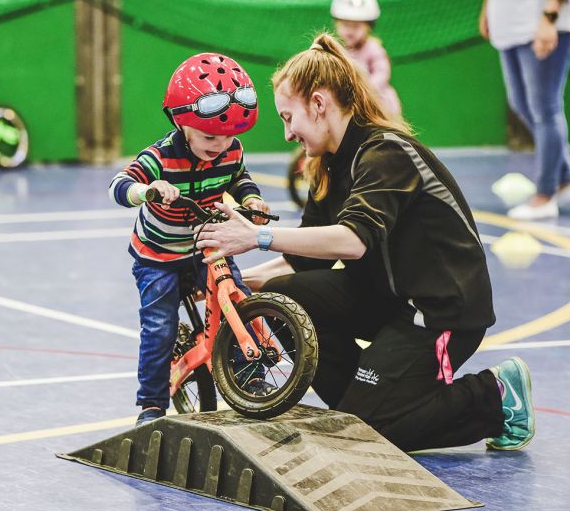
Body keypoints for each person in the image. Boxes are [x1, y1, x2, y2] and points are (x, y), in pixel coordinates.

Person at [195, 32, 535, 453]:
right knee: (286, 297)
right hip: (388, 299)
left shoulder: (384, 153)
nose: (287, 134)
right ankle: (372, 396)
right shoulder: (328, 165)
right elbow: (302, 262)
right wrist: (238, 284)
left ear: (319, 104)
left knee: (368, 433)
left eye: (288, 117)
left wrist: (256, 236)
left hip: (442, 312)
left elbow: (352, 242)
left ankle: (494, 396)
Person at [109, 52, 270, 426]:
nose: (220, 145)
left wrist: (251, 198)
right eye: (209, 136)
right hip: (157, 255)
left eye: (229, 136)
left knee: (239, 298)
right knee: (159, 326)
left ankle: (253, 376)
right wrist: (147, 192)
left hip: (204, 245)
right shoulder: (160, 156)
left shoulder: (230, 150)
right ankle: (151, 405)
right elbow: (119, 185)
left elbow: (239, 178)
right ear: (182, 124)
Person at [480, 0, 570, 220]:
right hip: (509, 20)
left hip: (543, 18)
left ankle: (545, 196)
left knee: (545, 108)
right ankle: (566, 179)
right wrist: (489, 6)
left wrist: (549, 18)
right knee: (520, 103)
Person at [331, 0, 401, 120]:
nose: (350, 31)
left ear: (368, 27)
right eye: (346, 25)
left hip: (377, 104)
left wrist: (365, 89)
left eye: (356, 26)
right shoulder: (337, 50)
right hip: (350, 106)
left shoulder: (374, 49)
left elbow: (382, 73)